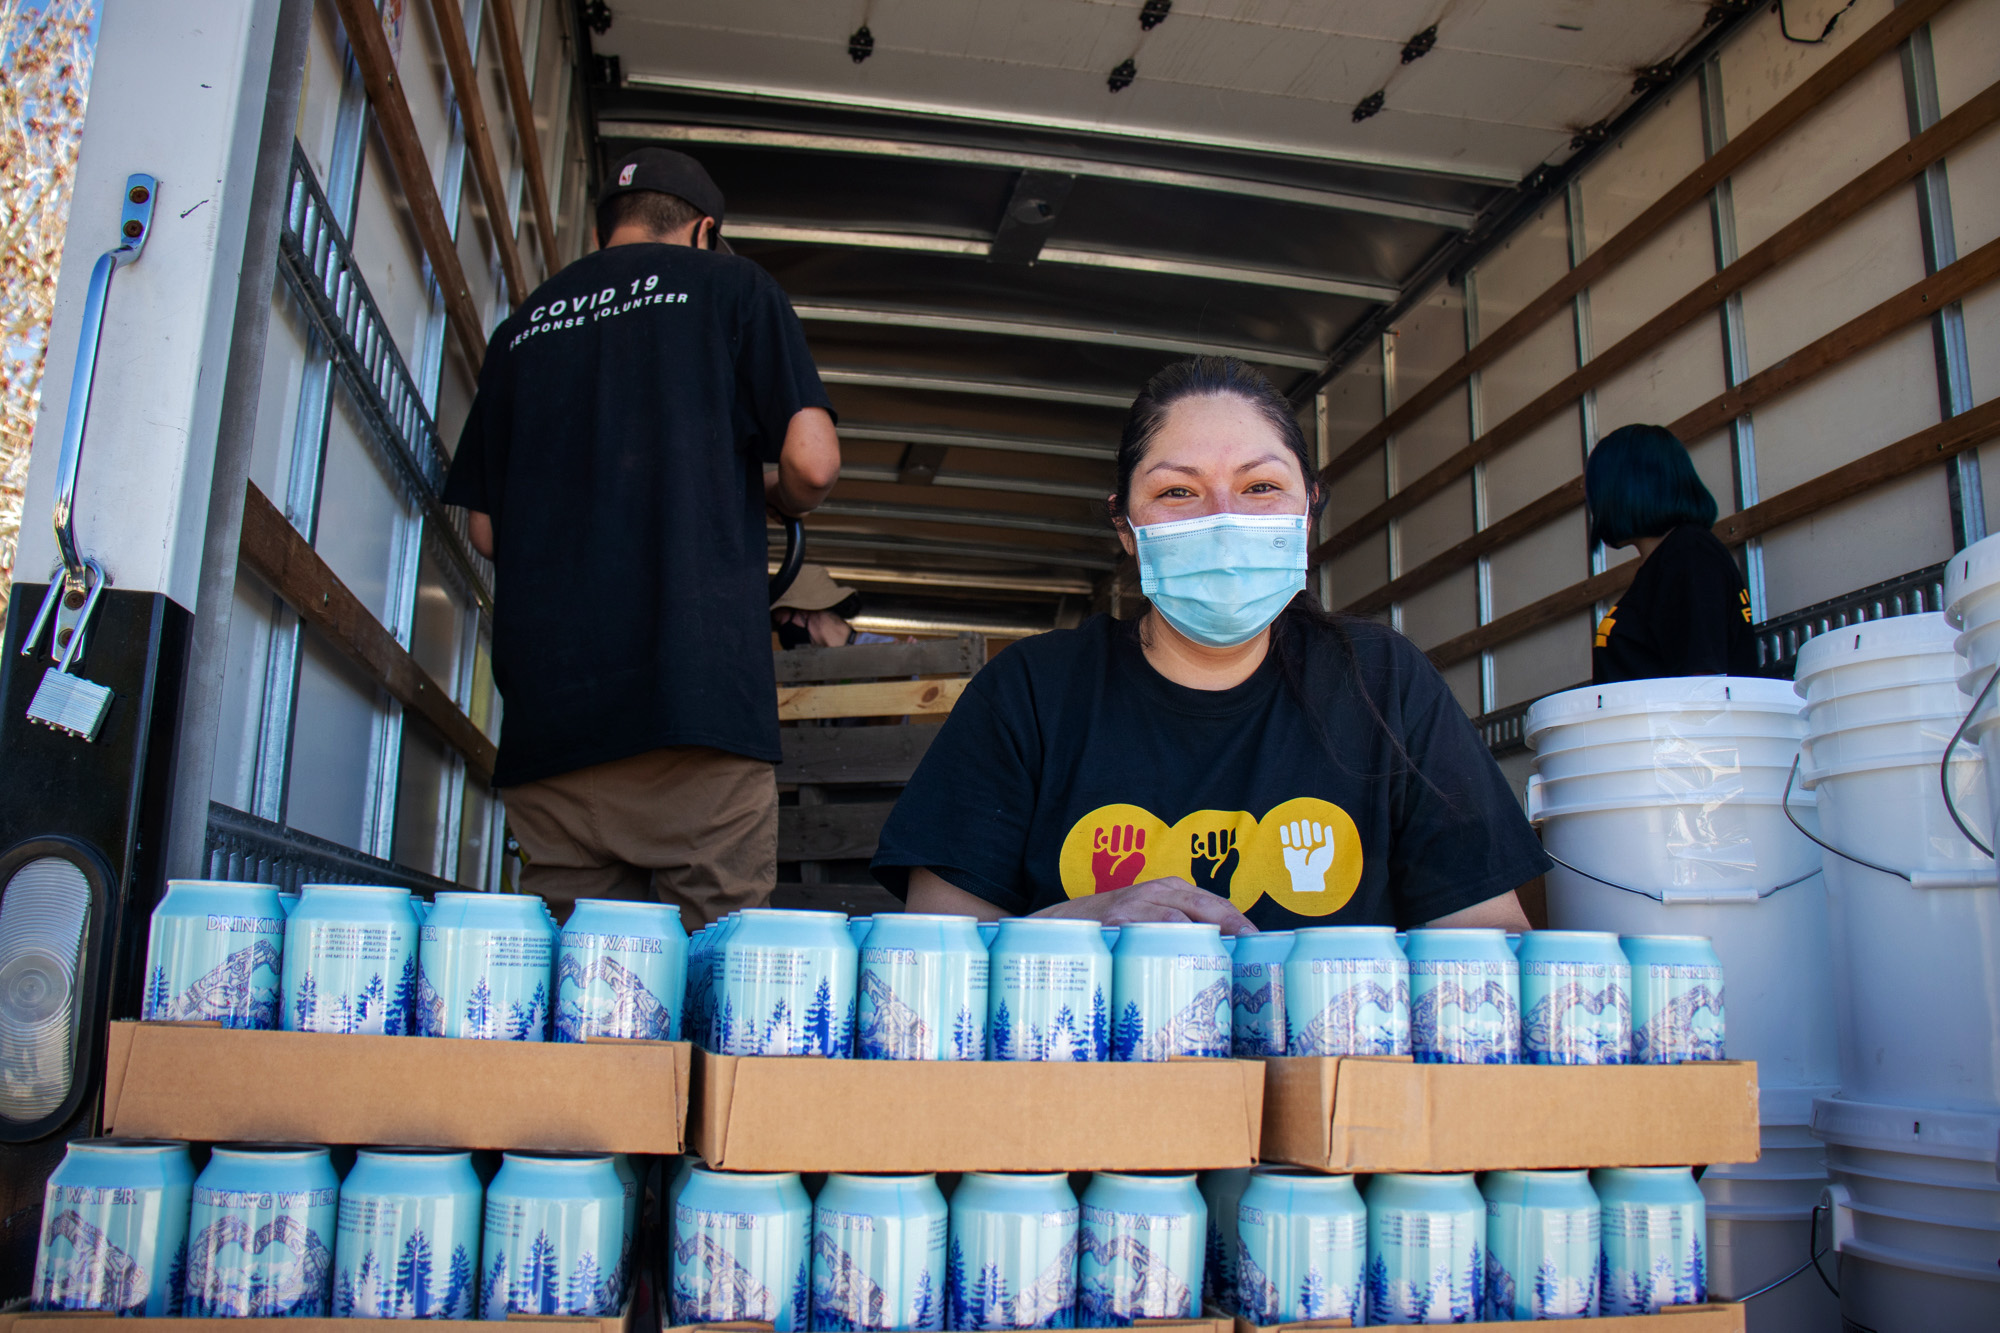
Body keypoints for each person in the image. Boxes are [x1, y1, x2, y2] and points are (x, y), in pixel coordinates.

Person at [869, 357, 1546, 931]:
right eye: (1178, 491)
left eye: (1260, 486)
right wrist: (1086, 923)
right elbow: (933, 949)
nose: (1224, 519)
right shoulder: (1031, 693)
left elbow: (1491, 945)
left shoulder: (1384, 683)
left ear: (1307, 511)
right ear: (1127, 530)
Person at [441, 148, 841, 927]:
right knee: (716, 984)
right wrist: (771, 493)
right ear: (702, 231)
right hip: (694, 716)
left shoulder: (520, 328)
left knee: (594, 997)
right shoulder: (734, 286)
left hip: (551, 729)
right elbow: (813, 462)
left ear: (607, 230)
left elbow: (487, 530)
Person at [1585, 424, 1757, 684]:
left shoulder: (1689, 554)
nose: (1594, 504)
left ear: (1627, 486)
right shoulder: (1671, 560)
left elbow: (1704, 685)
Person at [772, 565, 896, 648]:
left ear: (804, 611)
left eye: (781, 621)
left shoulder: (884, 650)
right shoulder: (809, 672)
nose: (782, 630)